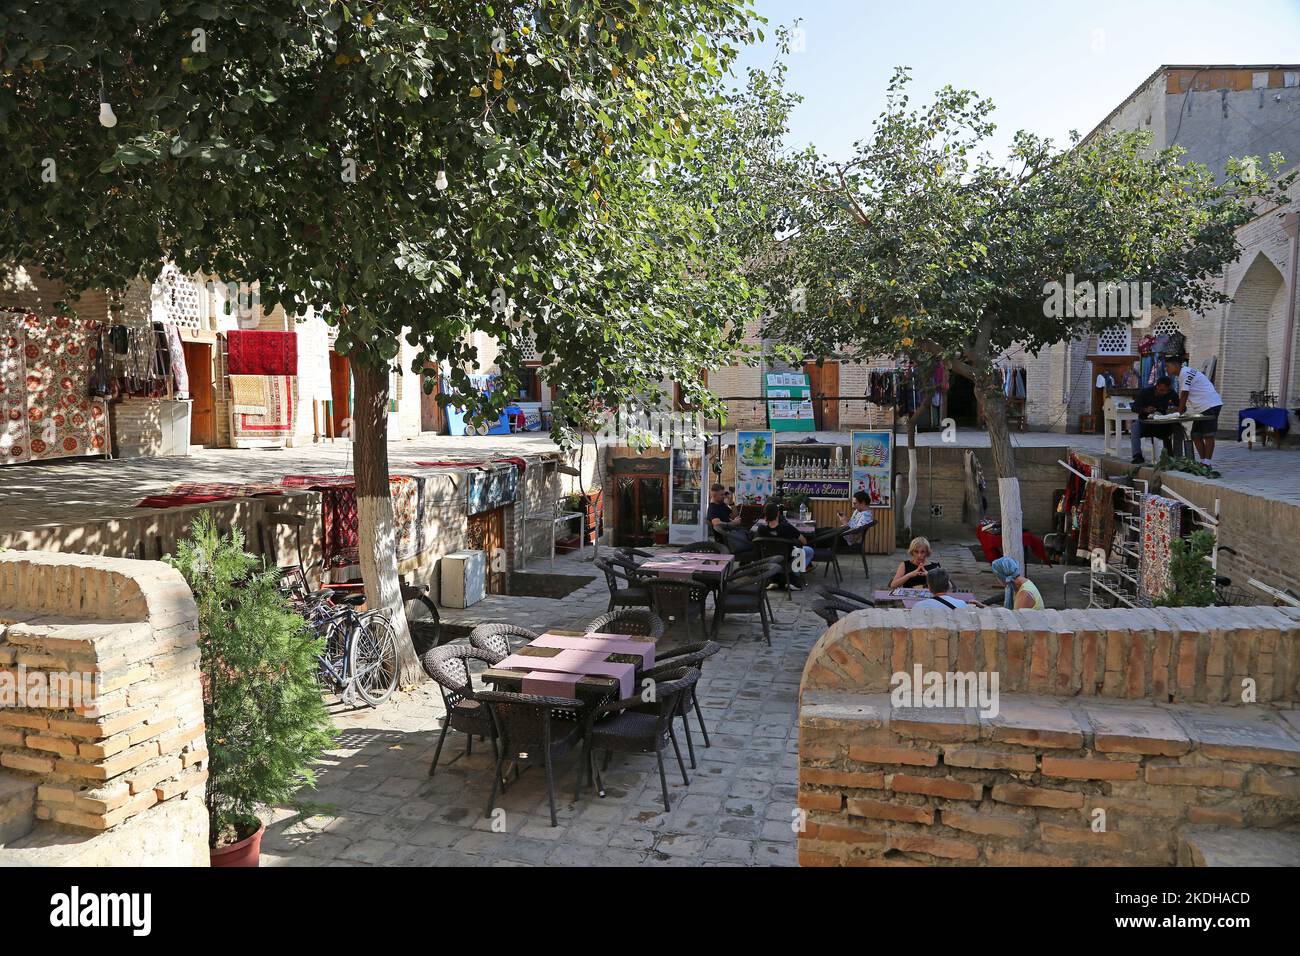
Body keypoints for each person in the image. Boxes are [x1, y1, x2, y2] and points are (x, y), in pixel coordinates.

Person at [1164, 353, 1223, 468]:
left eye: (1167, 366)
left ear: (1175, 365)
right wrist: (1179, 409)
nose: (1166, 369)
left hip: (1210, 405)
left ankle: (1207, 462)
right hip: (1201, 407)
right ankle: (1203, 461)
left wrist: (1179, 411)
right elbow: (1184, 395)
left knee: (1208, 435)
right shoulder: (1183, 374)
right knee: (1195, 435)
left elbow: (1184, 393)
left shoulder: (1185, 373)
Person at [753, 502, 813, 589]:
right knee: (809, 551)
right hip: (787, 559)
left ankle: (774, 579)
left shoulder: (761, 529)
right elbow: (804, 541)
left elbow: (755, 542)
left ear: (765, 515)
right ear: (778, 513)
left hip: (769, 559)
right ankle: (792, 576)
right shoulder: (786, 527)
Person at [1130, 375, 1178, 464]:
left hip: (1164, 424)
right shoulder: (1145, 392)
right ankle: (1137, 455)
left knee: (1178, 427)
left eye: (1166, 391)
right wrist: (1145, 409)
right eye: (1162, 390)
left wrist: (1175, 409)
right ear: (1157, 386)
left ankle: (1174, 456)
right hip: (1146, 424)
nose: (1164, 393)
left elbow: (1182, 407)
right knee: (1135, 426)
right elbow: (1134, 408)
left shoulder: (1171, 393)